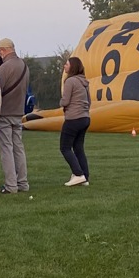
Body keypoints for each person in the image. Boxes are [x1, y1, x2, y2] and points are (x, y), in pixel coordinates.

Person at [0, 38, 31, 194]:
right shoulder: (24, 66)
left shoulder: (3, 68)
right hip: (18, 112)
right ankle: (23, 183)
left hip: (5, 113)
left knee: (6, 149)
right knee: (19, 148)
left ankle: (11, 185)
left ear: (3, 50)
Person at [60, 56, 91, 186]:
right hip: (85, 118)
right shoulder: (84, 82)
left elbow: (65, 101)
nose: (64, 66)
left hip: (73, 118)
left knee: (65, 147)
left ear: (72, 67)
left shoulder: (70, 81)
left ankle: (78, 174)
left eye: (66, 64)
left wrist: (61, 102)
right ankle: (85, 176)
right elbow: (89, 101)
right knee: (78, 148)